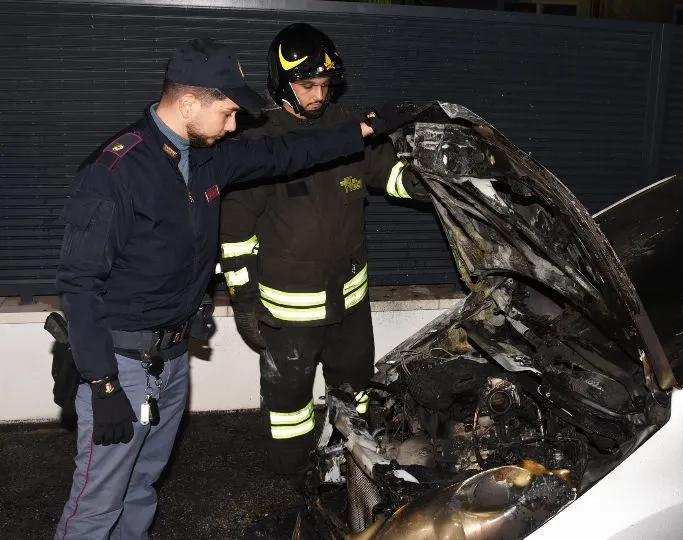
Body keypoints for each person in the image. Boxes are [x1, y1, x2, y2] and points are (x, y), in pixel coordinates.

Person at [53, 37, 410, 539]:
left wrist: (365, 128)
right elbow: (79, 284)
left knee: (141, 486)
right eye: (226, 111)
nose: (234, 124)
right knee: (97, 503)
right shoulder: (114, 173)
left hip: (172, 358)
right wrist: (103, 384)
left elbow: (292, 152)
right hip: (122, 366)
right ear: (190, 102)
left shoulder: (204, 159)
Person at [217, 23, 430, 475]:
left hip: (350, 302)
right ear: (281, 82)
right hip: (288, 312)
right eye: (307, 85)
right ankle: (295, 475)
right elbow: (235, 234)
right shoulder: (259, 143)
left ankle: (356, 468)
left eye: (325, 85)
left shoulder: (347, 125)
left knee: (356, 391)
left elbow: (387, 174)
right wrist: (245, 301)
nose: (319, 95)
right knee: (289, 404)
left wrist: (427, 183)